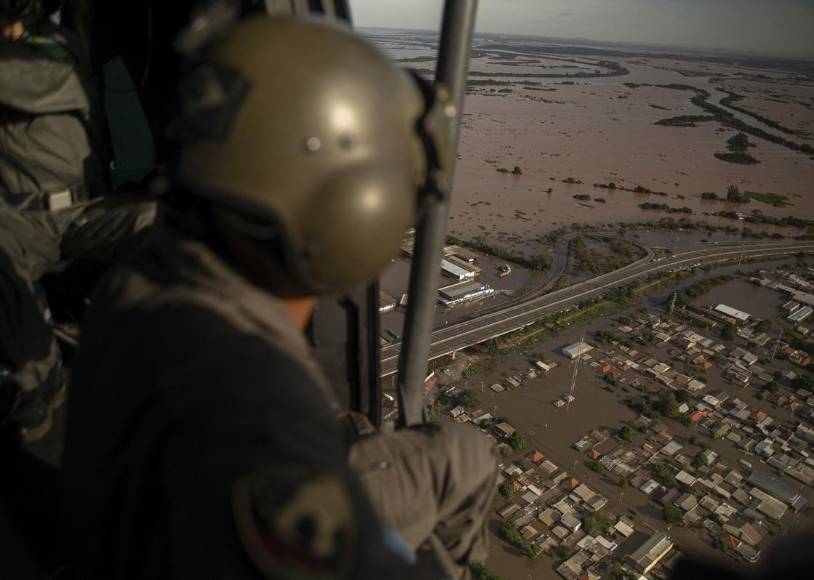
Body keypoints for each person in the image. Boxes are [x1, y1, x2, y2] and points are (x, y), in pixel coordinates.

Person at [62, 15, 497, 579]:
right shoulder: (265, 413)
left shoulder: (155, 262)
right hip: (181, 515)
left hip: (137, 513)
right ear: (357, 211)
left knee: (457, 456)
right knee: (466, 455)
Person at [0, 0, 157, 442]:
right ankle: (42, 380)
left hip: (84, 212)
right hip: (20, 220)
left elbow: (27, 76)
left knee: (161, 222)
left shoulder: (54, 48)